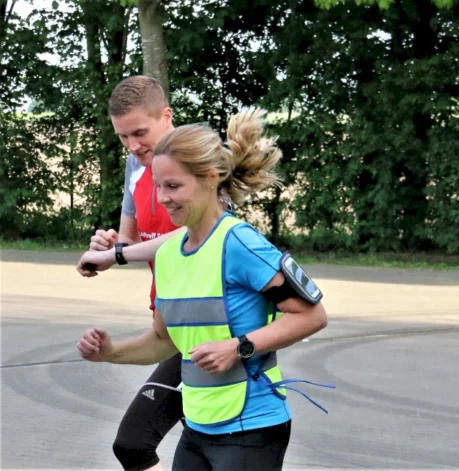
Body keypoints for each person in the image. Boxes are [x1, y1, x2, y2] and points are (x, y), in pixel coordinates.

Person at [77, 108, 331, 470]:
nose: (163, 198)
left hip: (252, 428)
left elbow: (312, 315)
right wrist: (110, 352)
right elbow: (165, 342)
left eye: (174, 186)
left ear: (210, 178)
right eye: (159, 186)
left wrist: (239, 346)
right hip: (197, 430)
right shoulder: (167, 256)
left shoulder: (239, 244)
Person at [76, 75, 185, 471]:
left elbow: (197, 240)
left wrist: (118, 257)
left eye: (140, 132)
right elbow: (130, 238)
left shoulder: (201, 157)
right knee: (139, 446)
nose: (133, 145)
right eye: (123, 137)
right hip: (170, 322)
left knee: (137, 444)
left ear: (166, 116)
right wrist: (108, 246)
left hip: (215, 328)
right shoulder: (135, 167)